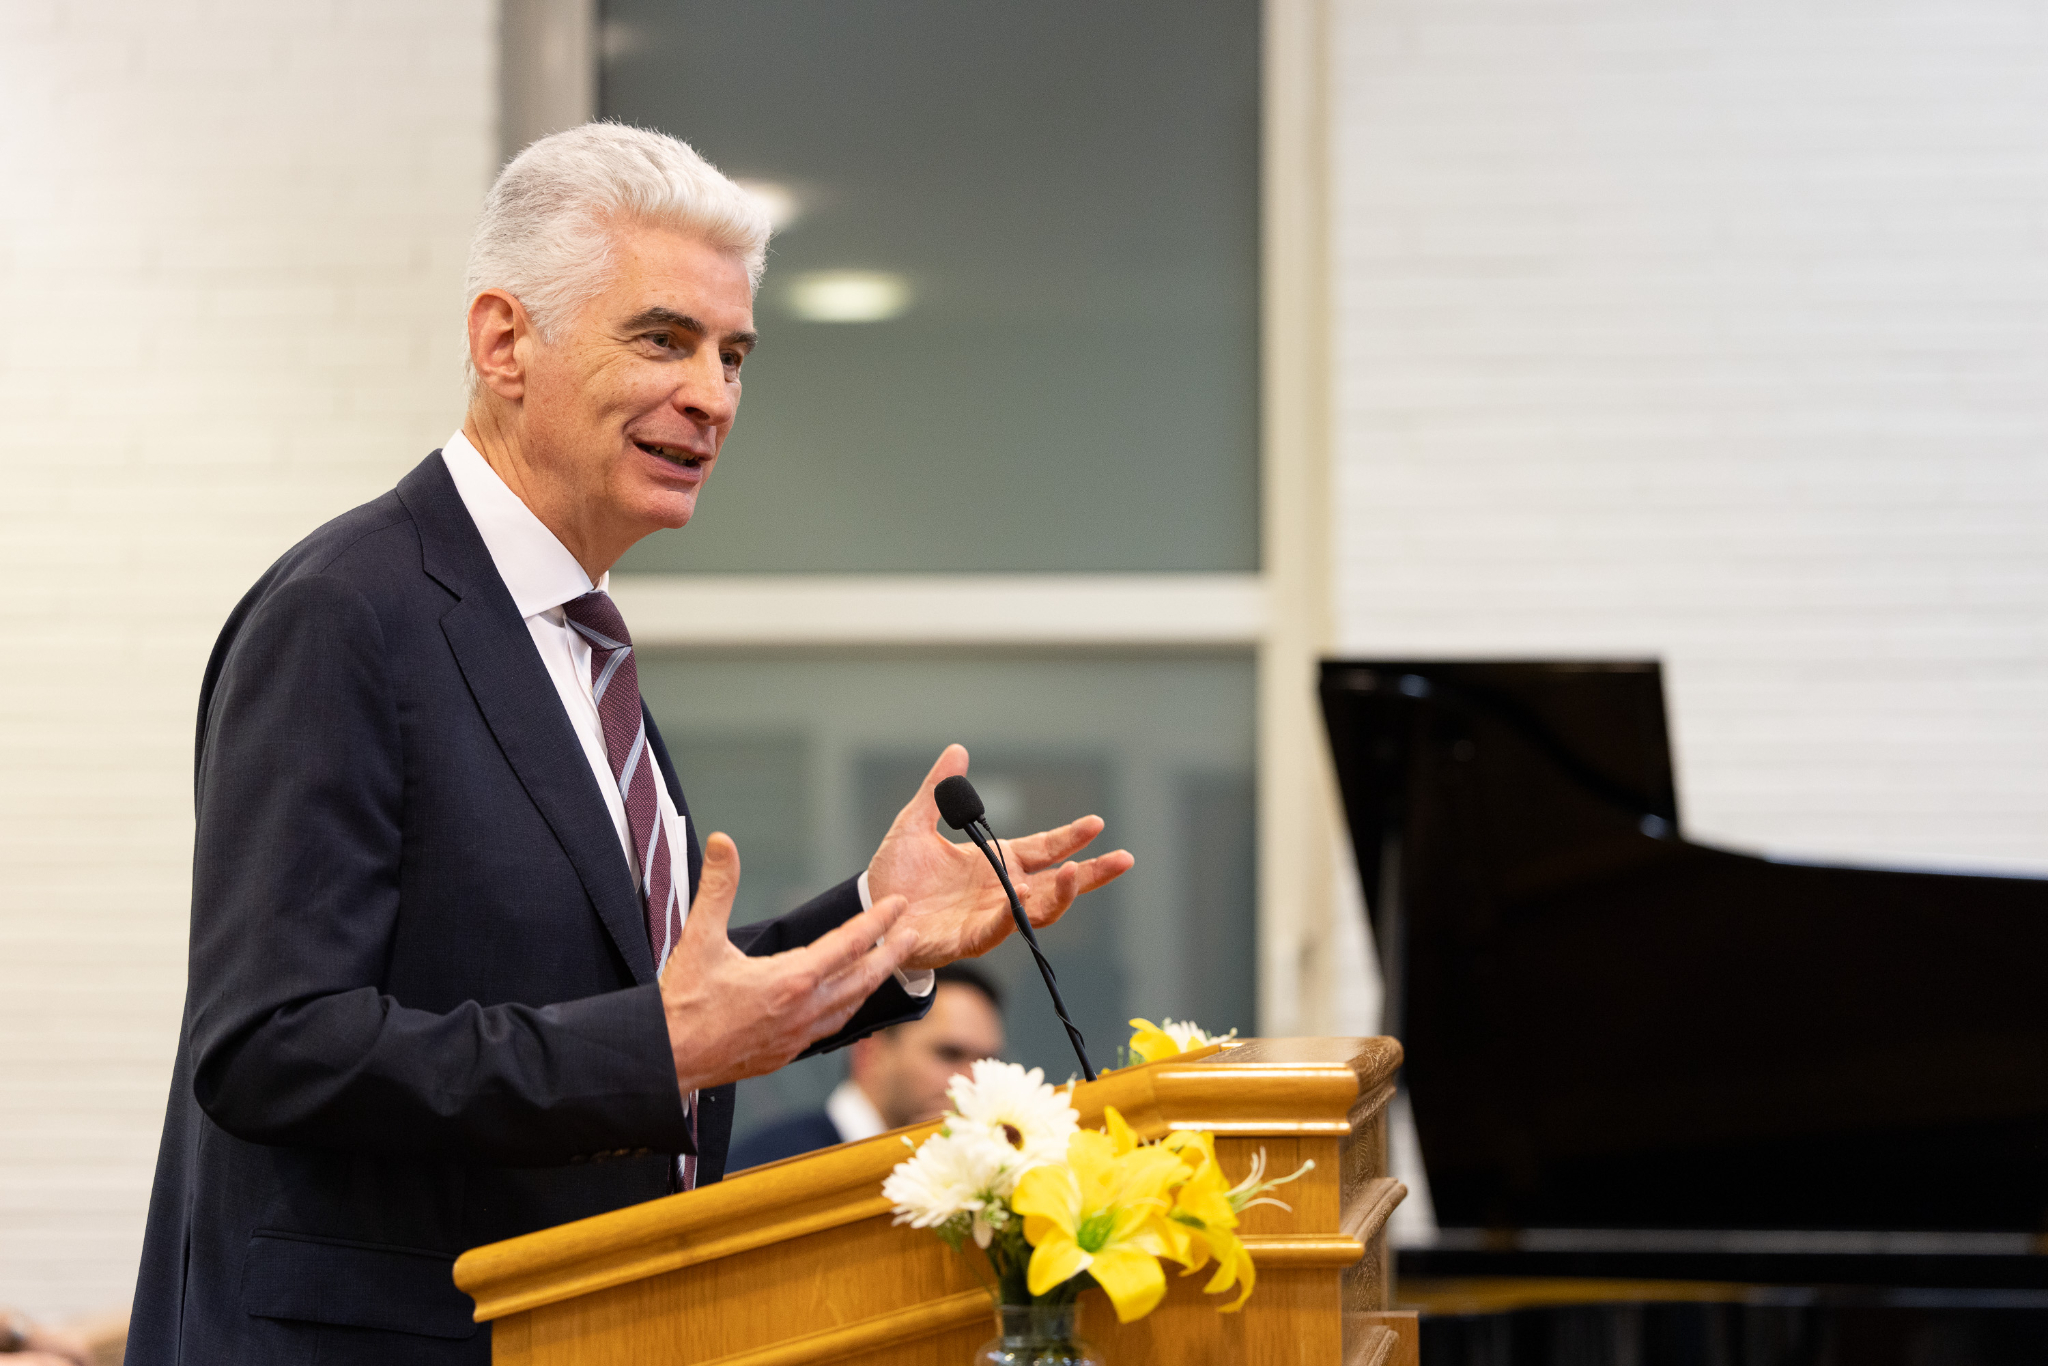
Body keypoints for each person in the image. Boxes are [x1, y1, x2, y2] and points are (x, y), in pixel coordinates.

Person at [125, 123, 1132, 1366]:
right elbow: (271, 1045)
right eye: (662, 339)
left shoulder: (575, 640)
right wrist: (656, 1051)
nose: (712, 395)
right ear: (504, 342)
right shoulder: (347, 612)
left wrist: (881, 924)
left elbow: (636, 995)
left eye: (731, 354)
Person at [729, 962, 1006, 1169]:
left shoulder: (990, 1177)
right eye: (949, 1054)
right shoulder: (770, 1168)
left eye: (987, 1062)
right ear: (871, 1050)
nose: (973, 1081)